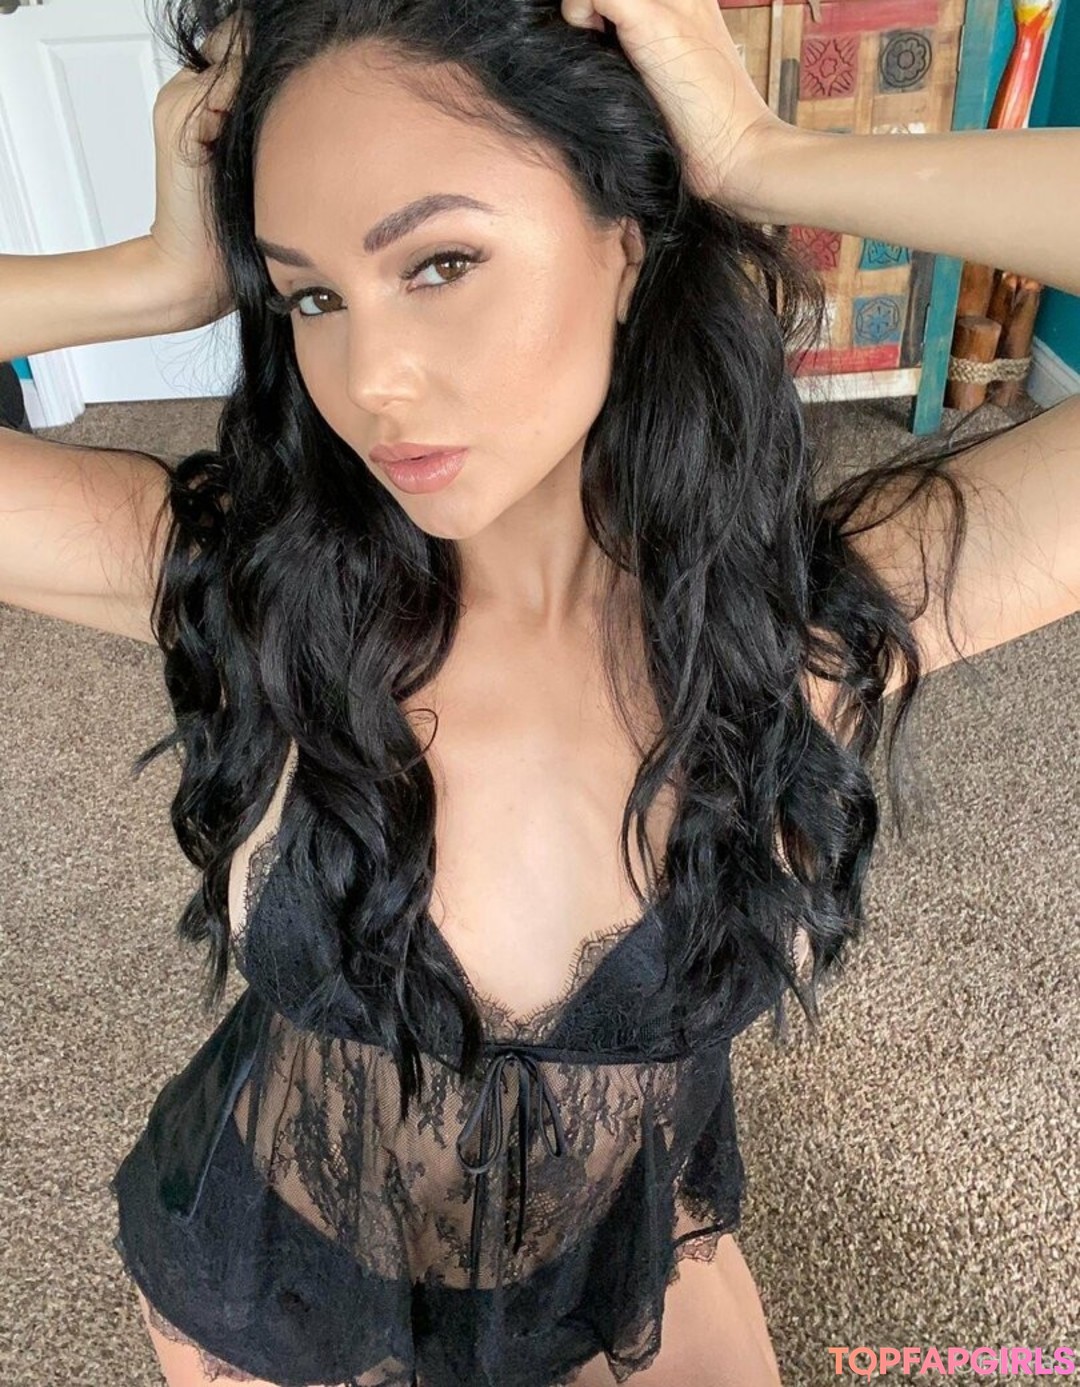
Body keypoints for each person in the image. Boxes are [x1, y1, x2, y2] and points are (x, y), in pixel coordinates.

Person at [1, 1, 1077, 1384]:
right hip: (272, 1279)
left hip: (625, 1262)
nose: (371, 381)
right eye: (313, 296)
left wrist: (763, 155)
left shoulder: (798, 628)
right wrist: (146, 281)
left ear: (627, 240)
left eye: (441, 262)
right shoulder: (244, 584)